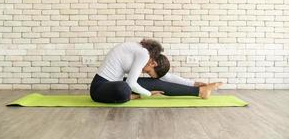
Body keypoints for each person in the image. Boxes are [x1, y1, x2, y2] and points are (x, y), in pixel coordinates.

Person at [90, 39, 222, 103]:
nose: (146, 72)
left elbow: (165, 77)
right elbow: (130, 84)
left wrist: (193, 83)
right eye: (149, 72)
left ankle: (200, 92)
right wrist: (147, 94)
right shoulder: (143, 54)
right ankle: (133, 96)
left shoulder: (144, 53)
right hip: (100, 88)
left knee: (155, 83)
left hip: (115, 84)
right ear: (153, 63)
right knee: (124, 87)